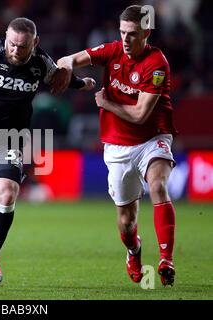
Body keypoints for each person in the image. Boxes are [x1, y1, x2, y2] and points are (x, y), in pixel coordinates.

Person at [0, 17, 95, 285]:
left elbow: (58, 76)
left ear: (34, 43)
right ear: (6, 38)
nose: (15, 50)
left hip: (11, 140)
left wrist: (81, 83)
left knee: (6, 193)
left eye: (22, 47)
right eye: (11, 44)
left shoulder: (40, 62)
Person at [57, 5, 178, 286]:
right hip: (117, 145)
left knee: (158, 185)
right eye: (122, 32)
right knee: (126, 221)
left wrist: (106, 102)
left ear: (146, 33)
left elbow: (139, 115)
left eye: (132, 34)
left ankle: (166, 260)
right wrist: (67, 73)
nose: (125, 39)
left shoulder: (156, 64)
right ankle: (134, 250)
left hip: (152, 137)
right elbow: (69, 59)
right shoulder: (111, 51)